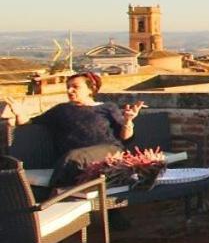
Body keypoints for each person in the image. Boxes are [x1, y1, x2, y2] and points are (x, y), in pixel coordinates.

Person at [1, 72, 146, 189]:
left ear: (91, 89)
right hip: (75, 161)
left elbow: (125, 138)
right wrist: (19, 113)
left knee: (74, 158)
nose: (70, 91)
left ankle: (56, 197)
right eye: (68, 87)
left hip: (108, 152)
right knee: (74, 159)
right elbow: (29, 124)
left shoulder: (107, 107)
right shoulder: (61, 110)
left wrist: (128, 121)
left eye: (75, 86)